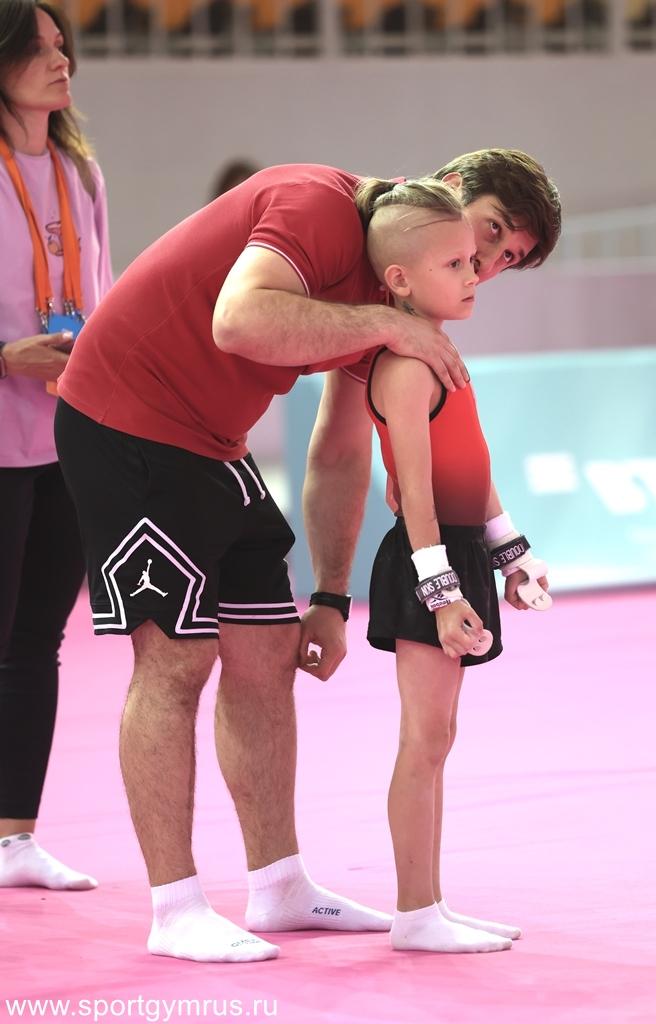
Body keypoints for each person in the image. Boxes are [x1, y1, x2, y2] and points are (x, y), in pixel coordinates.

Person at [54, 151, 560, 962]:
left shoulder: (391, 296)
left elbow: (338, 449)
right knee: (175, 662)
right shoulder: (317, 204)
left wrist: (328, 593)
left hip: (214, 444)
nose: (484, 265)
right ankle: (174, 906)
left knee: (266, 653)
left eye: (506, 258)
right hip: (127, 421)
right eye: (488, 233)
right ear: (448, 192)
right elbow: (238, 320)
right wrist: (386, 326)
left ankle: (278, 885)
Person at [361, 177, 551, 953]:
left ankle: (431, 903)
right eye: (455, 265)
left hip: (460, 551)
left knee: (438, 738)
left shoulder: (440, 355)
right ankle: (414, 912)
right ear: (400, 280)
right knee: (422, 738)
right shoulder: (406, 367)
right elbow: (413, 491)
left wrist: (512, 555)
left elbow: (472, 464)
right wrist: (439, 593)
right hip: (426, 560)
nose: (474, 276)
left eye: (474, 263)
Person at [0, 0, 112, 889]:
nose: (61, 58)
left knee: (39, 637)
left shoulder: (80, 172)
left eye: (62, 44)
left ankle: (14, 837)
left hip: (65, 437)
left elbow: (102, 296)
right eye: (39, 48)